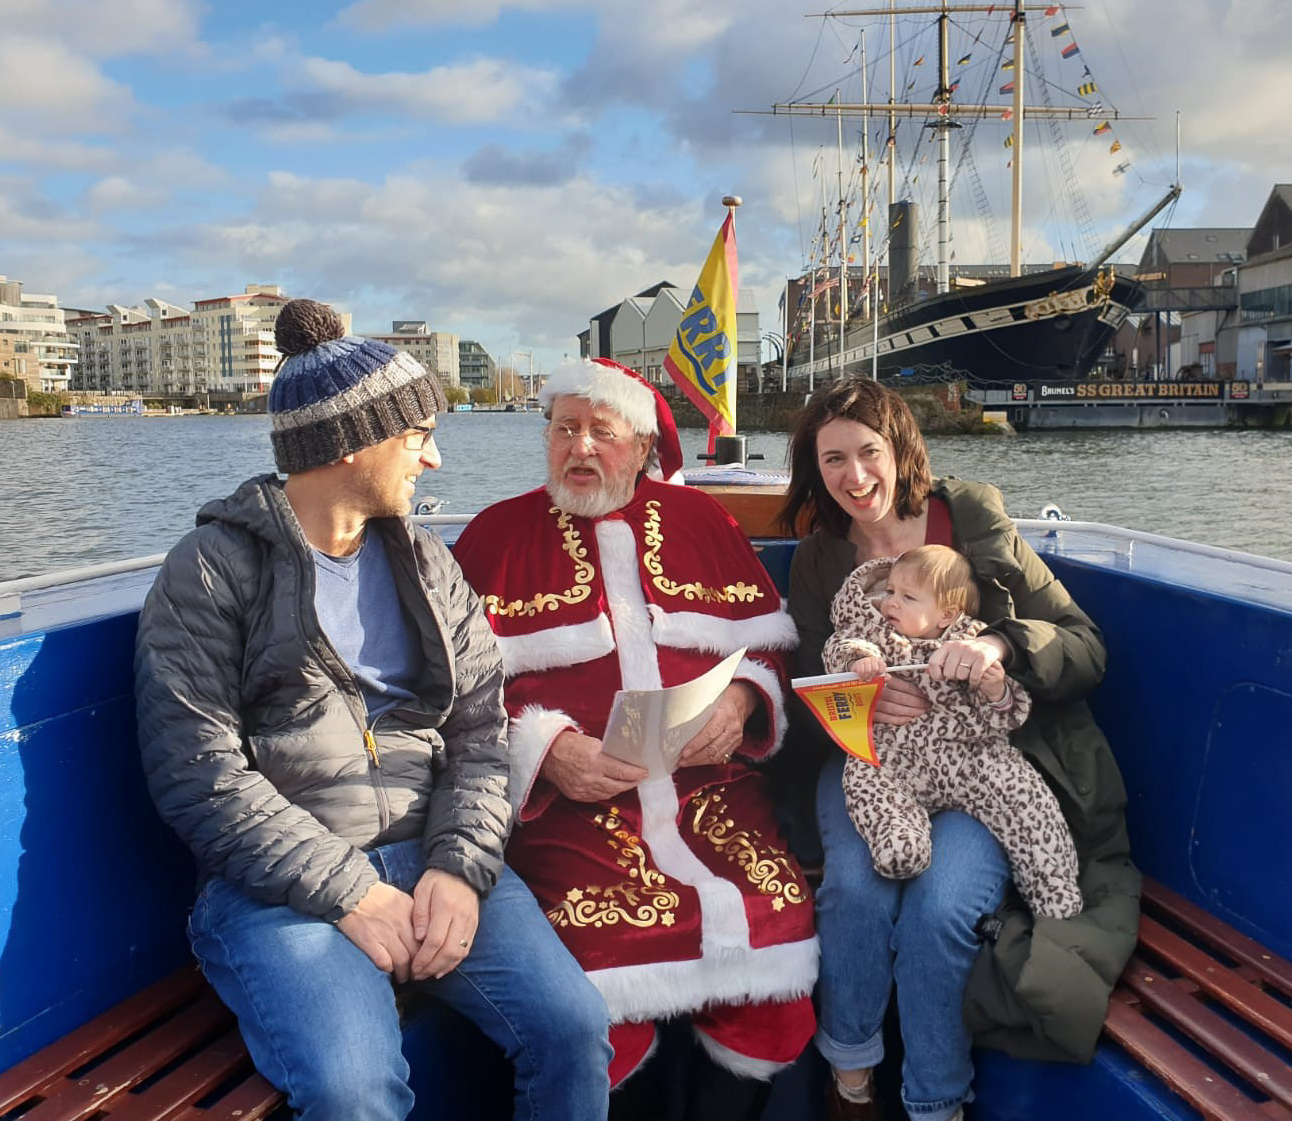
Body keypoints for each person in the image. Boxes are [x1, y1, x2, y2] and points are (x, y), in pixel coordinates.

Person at [133, 300, 612, 1121]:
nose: (434, 458)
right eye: (419, 435)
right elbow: (200, 777)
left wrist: (461, 868)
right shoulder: (211, 572)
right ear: (353, 442)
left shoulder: (427, 565)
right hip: (278, 885)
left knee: (573, 1028)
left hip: (431, 853)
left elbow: (478, 733)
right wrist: (351, 889)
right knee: (353, 1091)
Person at [451, 358, 817, 1121]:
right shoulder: (493, 536)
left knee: (772, 916)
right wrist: (547, 751)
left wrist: (745, 701)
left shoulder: (702, 522)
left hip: (710, 789)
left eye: (601, 432)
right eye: (564, 430)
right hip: (566, 808)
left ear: (644, 446)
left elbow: (770, 645)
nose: (579, 448)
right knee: (599, 952)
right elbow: (456, 694)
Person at [777, 378, 1140, 1121]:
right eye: (834, 460)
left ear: (900, 450)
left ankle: (935, 1104)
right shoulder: (820, 559)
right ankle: (851, 1080)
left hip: (976, 759)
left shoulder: (971, 520)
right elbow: (807, 691)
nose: (855, 477)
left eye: (869, 453)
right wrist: (860, 695)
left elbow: (1084, 645)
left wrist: (1001, 647)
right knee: (855, 892)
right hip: (872, 761)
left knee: (940, 910)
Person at [821, 545, 1083, 916]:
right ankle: (899, 839)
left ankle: (1054, 888)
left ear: (946, 614)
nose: (891, 602)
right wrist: (857, 661)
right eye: (890, 591)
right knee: (865, 780)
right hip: (895, 755)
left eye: (908, 597)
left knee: (1026, 797)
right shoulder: (872, 632)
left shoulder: (971, 641)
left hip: (967, 757)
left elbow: (1005, 717)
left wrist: (995, 689)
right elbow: (840, 645)